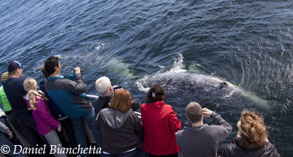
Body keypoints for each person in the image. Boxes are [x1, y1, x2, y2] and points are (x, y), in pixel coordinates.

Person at [44, 56, 100, 151]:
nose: (61, 65)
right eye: (59, 64)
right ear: (55, 67)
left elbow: (64, 88)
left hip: (71, 112)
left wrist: (70, 77)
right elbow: (82, 88)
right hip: (84, 108)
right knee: (95, 128)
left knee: (79, 133)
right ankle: (102, 149)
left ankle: (83, 154)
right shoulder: (64, 83)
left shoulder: (47, 84)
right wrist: (78, 75)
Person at [3, 61, 44, 147]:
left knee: (35, 142)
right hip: (30, 116)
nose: (22, 71)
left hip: (20, 118)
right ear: (18, 70)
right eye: (21, 69)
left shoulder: (5, 85)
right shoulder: (22, 82)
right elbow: (33, 96)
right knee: (44, 138)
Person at [23, 78, 66, 157]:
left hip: (42, 128)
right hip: (47, 127)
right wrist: (57, 125)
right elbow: (45, 115)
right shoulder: (37, 100)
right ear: (35, 85)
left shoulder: (29, 99)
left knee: (54, 147)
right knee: (58, 147)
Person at [94, 89, 143, 156]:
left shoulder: (102, 113)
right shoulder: (131, 114)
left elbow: (96, 127)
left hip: (108, 150)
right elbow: (139, 131)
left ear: (113, 99)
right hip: (129, 149)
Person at [39, 66, 78, 149]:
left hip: (56, 114)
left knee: (65, 131)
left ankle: (70, 148)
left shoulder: (42, 85)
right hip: (63, 110)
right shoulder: (53, 84)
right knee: (71, 130)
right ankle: (77, 149)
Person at [140, 85, 181, 157]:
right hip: (169, 148)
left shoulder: (143, 108)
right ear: (162, 96)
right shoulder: (168, 109)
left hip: (151, 148)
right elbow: (176, 127)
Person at [0, 71, 29, 146]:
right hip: (18, 110)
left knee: (20, 130)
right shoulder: (12, 86)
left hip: (9, 114)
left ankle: (30, 145)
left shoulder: (0, 90)